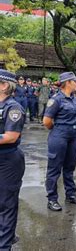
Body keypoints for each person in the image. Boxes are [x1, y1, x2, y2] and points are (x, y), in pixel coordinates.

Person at [43, 72, 76, 211]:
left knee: (70, 167)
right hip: (59, 136)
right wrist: (57, 131)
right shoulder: (56, 100)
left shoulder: (74, 99)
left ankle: (71, 194)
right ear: (67, 83)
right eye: (75, 82)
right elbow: (47, 121)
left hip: (73, 136)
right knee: (54, 168)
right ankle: (52, 199)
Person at [0, 69, 26, 249]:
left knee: (7, 203)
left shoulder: (13, 108)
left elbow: (11, 136)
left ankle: (4, 245)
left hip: (8, 159)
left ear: (4, 85)